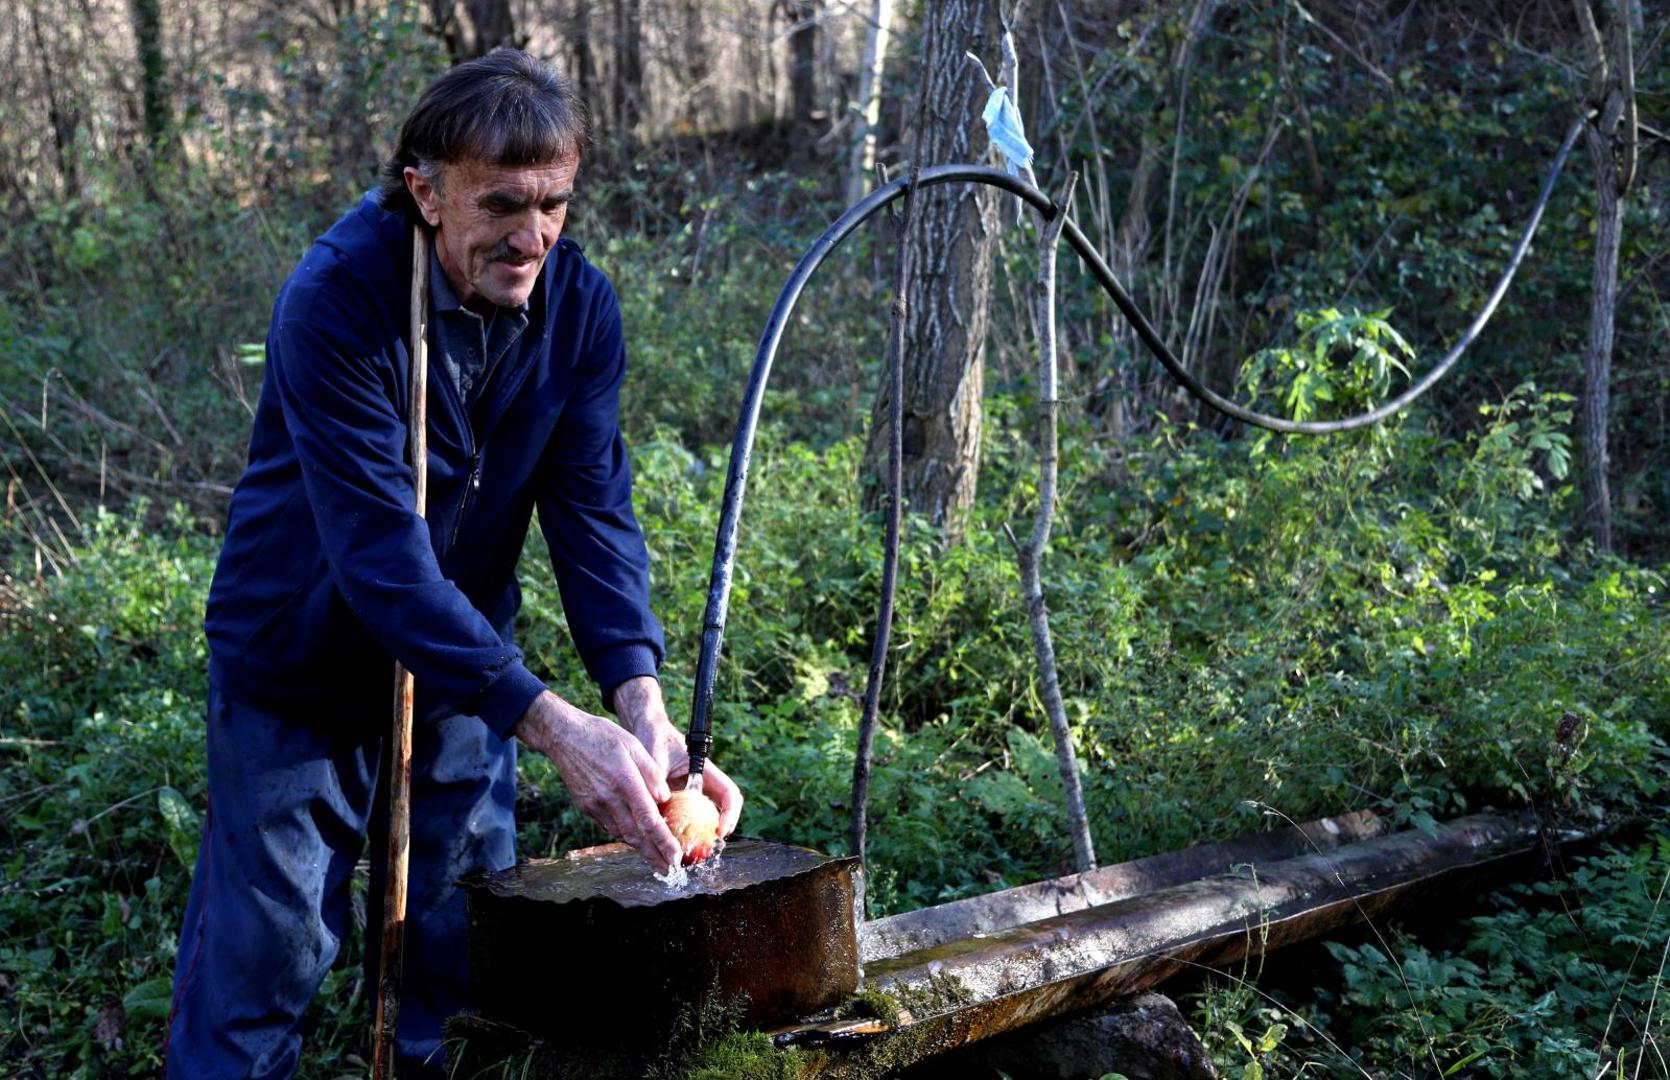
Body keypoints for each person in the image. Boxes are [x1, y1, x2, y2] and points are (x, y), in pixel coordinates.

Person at [164, 50, 743, 1077]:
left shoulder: (578, 309)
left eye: (555, 205)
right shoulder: (340, 300)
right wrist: (554, 724)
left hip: (463, 682)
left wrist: (639, 699)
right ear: (425, 192)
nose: (533, 237)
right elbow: (378, 557)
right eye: (503, 204)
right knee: (263, 972)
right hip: (298, 671)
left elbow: (593, 513)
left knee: (464, 967)